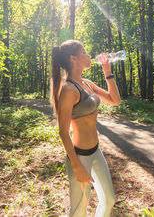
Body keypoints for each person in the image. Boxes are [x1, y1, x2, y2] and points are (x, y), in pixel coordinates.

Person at [50, 39, 121, 217]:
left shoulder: (87, 84)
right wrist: (77, 167)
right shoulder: (68, 90)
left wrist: (108, 73)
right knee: (78, 211)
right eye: (84, 52)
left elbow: (115, 100)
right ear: (73, 59)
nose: (89, 56)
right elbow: (63, 132)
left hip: (96, 152)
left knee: (109, 199)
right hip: (80, 156)